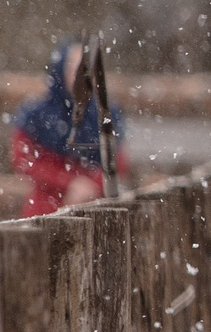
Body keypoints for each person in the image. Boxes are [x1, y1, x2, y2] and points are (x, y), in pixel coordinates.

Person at [8, 40, 128, 215]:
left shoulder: (106, 113)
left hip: (97, 210)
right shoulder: (36, 113)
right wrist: (68, 182)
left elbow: (119, 161)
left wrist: (93, 185)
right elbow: (22, 158)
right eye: (75, 65)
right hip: (45, 209)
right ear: (61, 67)